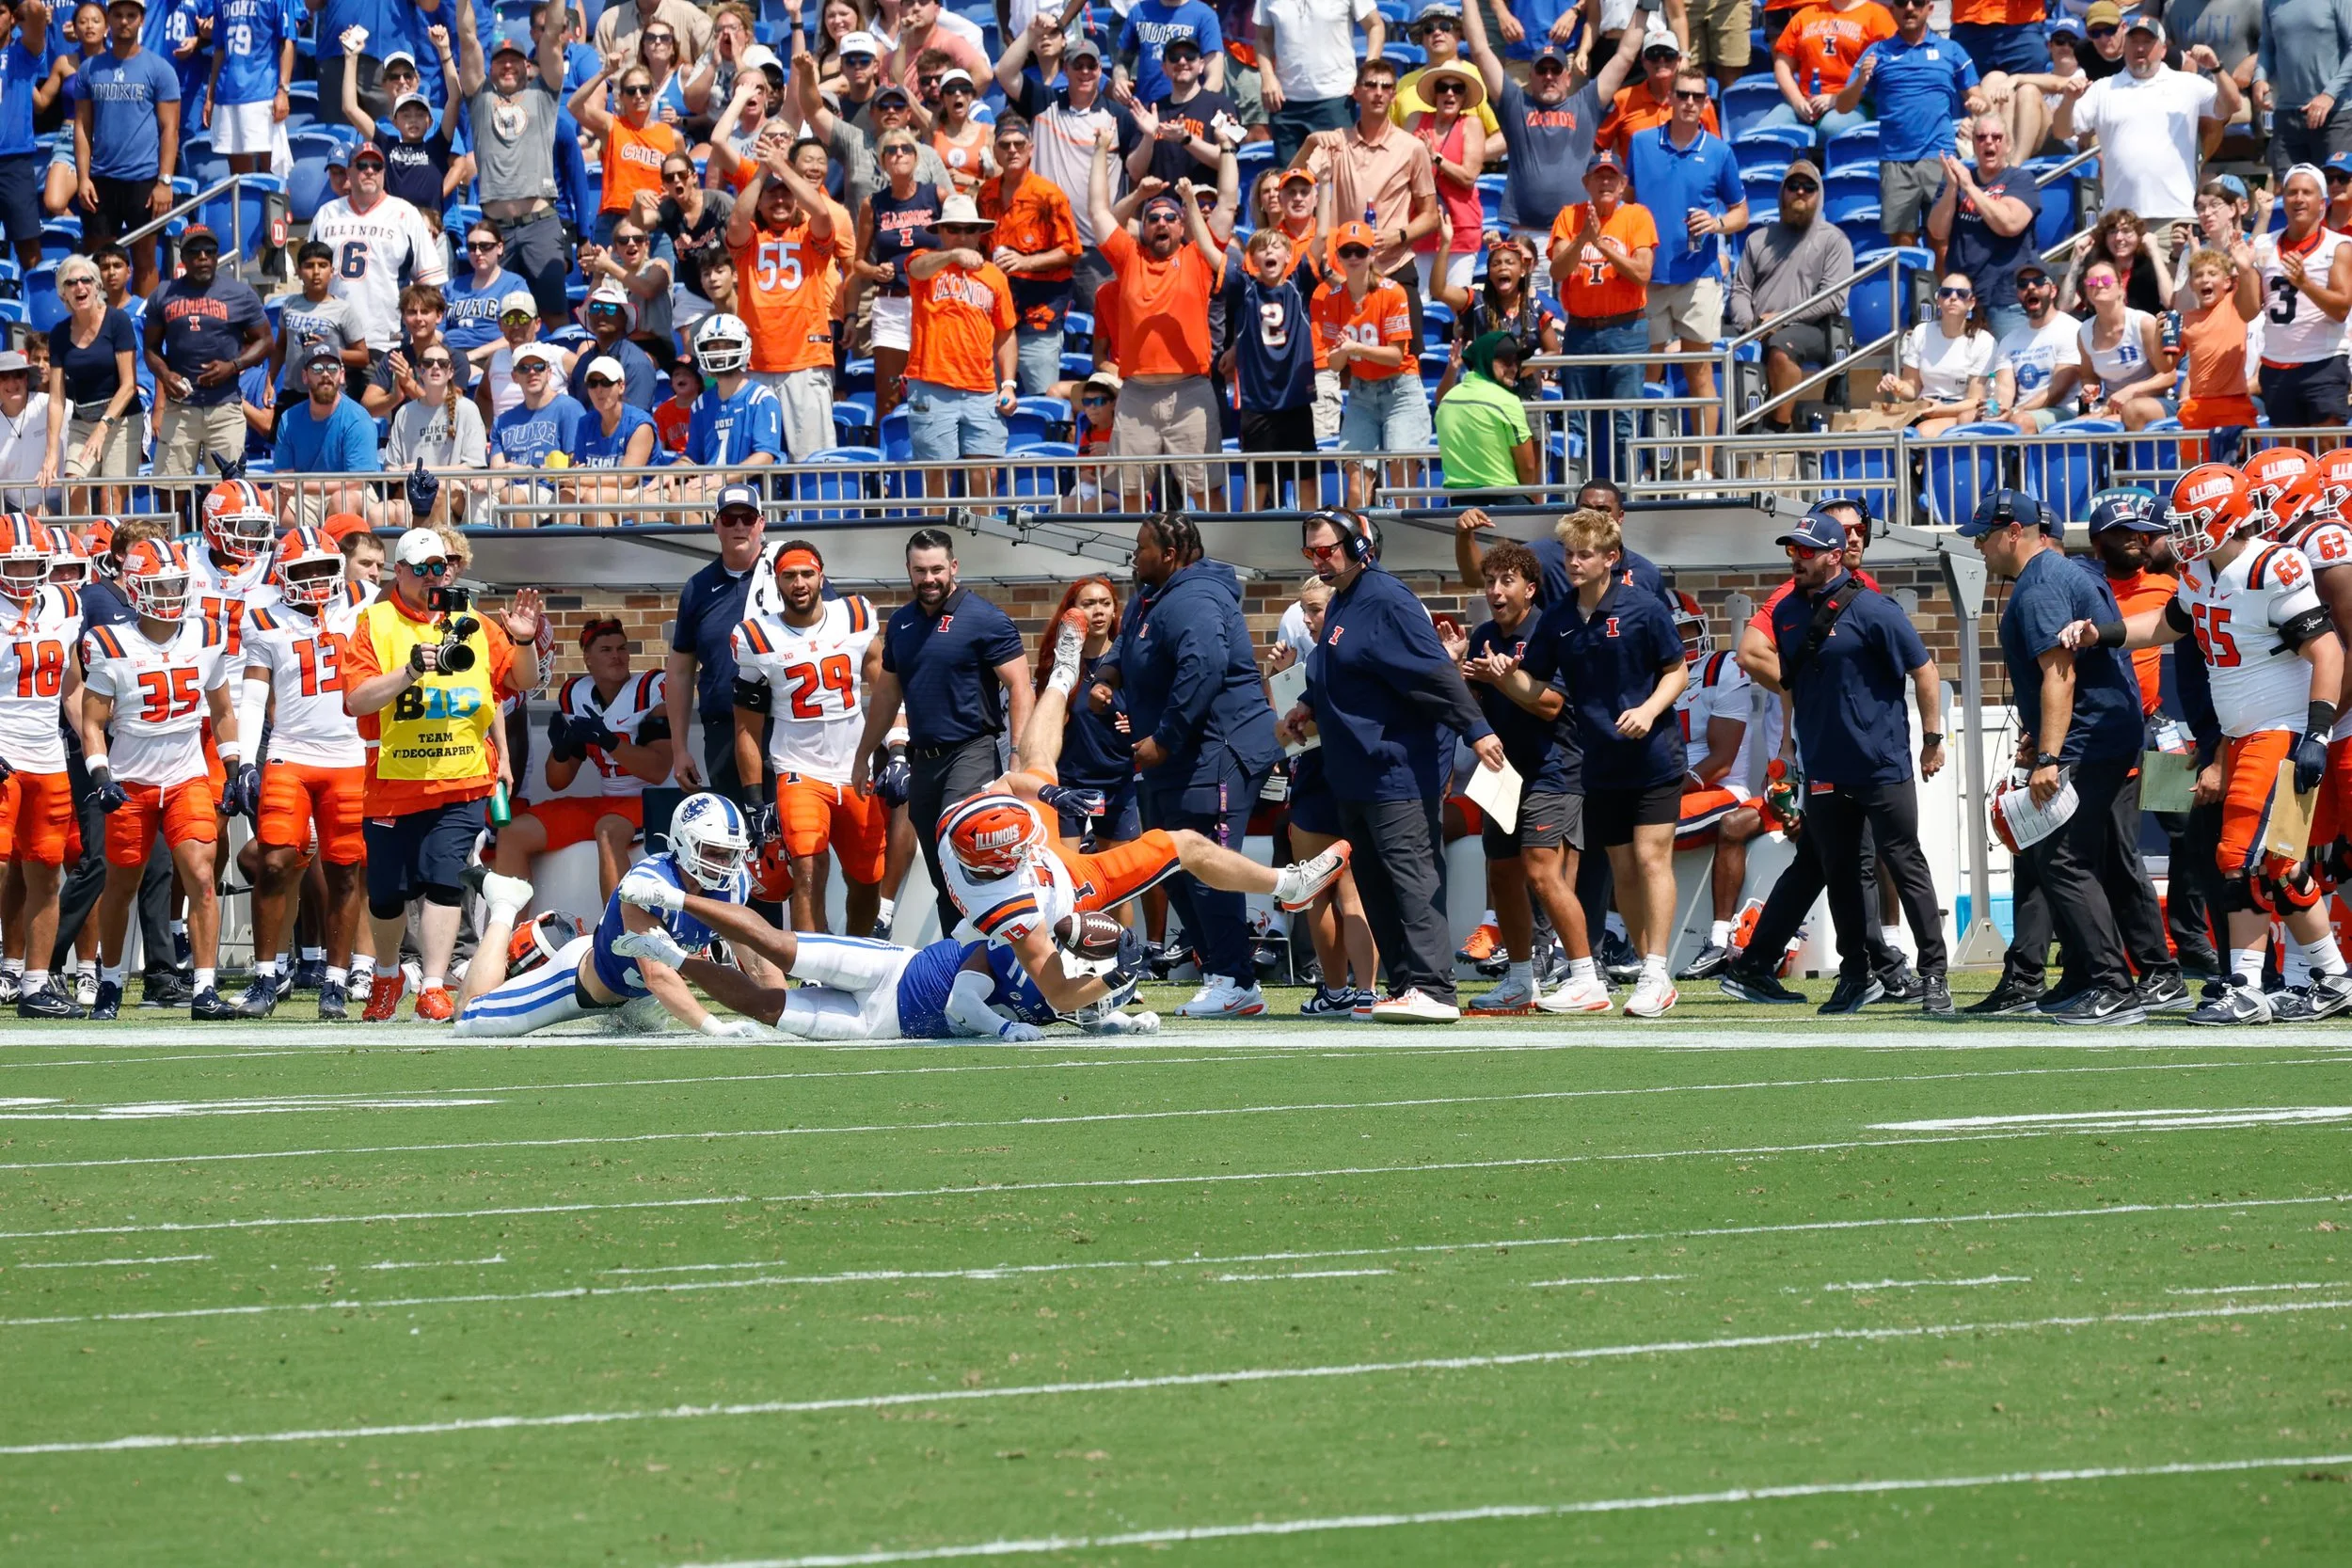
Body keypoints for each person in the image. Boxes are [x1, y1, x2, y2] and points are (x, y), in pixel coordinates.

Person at [942, 618, 1343, 1025]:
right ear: (1005, 862)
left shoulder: (958, 822)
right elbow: (1061, 995)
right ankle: (1287, 884)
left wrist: (1051, 794)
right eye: (1021, 846)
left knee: (1039, 764)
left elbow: (1010, 782)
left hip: (1038, 862)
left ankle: (1063, 674)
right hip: (1074, 886)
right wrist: (1120, 971)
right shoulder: (1013, 912)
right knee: (1184, 844)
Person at [2062, 464, 2352, 1022]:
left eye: (2197, 521)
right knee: (2277, 862)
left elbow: (2329, 651)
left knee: (2236, 856)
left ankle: (2242, 984)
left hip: (2281, 727)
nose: (2186, 533)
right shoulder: (2198, 572)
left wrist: (2317, 731)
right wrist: (2106, 633)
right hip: (2240, 732)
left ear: (2229, 516)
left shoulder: (2274, 565)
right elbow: (2167, 624)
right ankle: (2331, 976)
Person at [1275, 509, 1502, 1023]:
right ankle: (1404, 984)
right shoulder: (1343, 602)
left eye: (1327, 549)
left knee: (1412, 877)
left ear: (1360, 547)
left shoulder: (1387, 599)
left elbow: (1435, 673)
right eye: (1311, 552)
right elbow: (1339, 669)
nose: (1319, 559)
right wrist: (1308, 702)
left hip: (1394, 768)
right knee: (1375, 882)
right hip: (1352, 771)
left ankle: (1435, 988)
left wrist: (1477, 729)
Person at [1480, 508, 1687, 1016]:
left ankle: (1658, 973)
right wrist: (1503, 676)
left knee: (1650, 859)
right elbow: (1538, 686)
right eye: (1569, 553)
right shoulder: (1558, 618)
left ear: (1610, 558)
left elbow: (1677, 671)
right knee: (1623, 871)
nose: (1574, 562)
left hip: (1654, 756)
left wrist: (1648, 709)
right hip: (1599, 763)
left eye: (1585, 553)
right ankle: (1639, 972)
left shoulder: (1644, 607)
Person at [1959, 489, 2151, 1025]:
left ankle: (2115, 985)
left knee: (2062, 858)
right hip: (2102, 734)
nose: (1978, 546)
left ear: (2014, 531)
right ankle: (2091, 977)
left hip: (2087, 740)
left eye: (1983, 534)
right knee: (2075, 858)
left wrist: (2048, 755)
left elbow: (2059, 674)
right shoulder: (2067, 574)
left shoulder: (2041, 583)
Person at [338, 526, 543, 1023]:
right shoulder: (375, 622)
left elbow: (522, 681)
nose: (436, 577)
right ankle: (387, 974)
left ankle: (432, 984)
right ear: (401, 572)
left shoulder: (470, 620)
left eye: (442, 567)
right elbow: (355, 699)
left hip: (463, 777)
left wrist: (524, 641)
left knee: (445, 880)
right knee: (387, 894)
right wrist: (408, 670)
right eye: (425, 569)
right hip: (395, 782)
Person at [1084, 515, 1284, 1019]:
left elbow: (1205, 669)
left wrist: (1165, 741)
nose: (1135, 555)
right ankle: (1221, 970)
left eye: (1142, 548)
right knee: (1168, 863)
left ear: (1169, 554)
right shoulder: (1153, 597)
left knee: (1207, 864)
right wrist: (1106, 676)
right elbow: (1128, 647)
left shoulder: (1195, 598)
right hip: (1181, 758)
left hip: (1217, 750)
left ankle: (1236, 980)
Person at [1767, 505, 1952, 1015]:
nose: (1795, 560)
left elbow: (1926, 671)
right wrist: (1788, 745)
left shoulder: (1875, 609)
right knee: (1842, 873)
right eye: (1791, 550)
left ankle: (1934, 974)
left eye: (1805, 551)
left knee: (1904, 862)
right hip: (1825, 765)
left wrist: (1932, 738)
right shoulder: (1785, 614)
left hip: (1880, 762)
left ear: (1832, 557)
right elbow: (1790, 685)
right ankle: (1855, 976)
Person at [78, 534, 245, 1021]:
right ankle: (109, 982)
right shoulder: (107, 642)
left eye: (176, 584)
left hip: (187, 775)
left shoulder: (206, 634)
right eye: (160, 585)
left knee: (200, 875)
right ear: (134, 587)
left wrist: (234, 767)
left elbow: (223, 709)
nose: (171, 595)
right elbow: (92, 722)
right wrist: (101, 773)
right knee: (122, 886)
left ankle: (205, 989)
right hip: (130, 780)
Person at [455, 794, 782, 1040]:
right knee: (469, 1019)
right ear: (684, 843)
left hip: (642, 997)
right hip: (586, 985)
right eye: (713, 851)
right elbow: (658, 975)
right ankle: (504, 903)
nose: (723, 863)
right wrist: (715, 1029)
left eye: (730, 853)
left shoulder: (734, 884)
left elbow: (756, 957)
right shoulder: (649, 886)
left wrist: (784, 1014)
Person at [1453, 539, 1610, 1015]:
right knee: (1502, 874)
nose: (1496, 591)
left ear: (1530, 588)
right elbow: (1477, 709)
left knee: (1542, 871)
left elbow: (1551, 706)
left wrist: (1503, 679)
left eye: (1506, 581)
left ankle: (1585, 975)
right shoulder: (1482, 634)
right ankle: (1521, 978)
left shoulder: (1553, 630)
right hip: (1501, 772)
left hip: (1554, 770)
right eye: (1489, 582)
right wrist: (1460, 672)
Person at [849, 528, 1032, 918]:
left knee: (964, 852)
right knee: (942, 873)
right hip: (923, 762)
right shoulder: (900, 623)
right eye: (920, 570)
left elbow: (1020, 687)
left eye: (936, 569)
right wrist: (863, 754)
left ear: (953, 567)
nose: (929, 578)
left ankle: (996, 957)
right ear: (908, 570)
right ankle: (959, 964)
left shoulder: (985, 618)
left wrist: (1018, 757)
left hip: (972, 753)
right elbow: (886, 695)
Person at [231, 525, 367, 1020]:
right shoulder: (264, 617)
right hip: (290, 750)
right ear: (283, 574)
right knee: (272, 863)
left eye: (322, 568)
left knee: (344, 872)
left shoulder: (362, 602)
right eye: (302, 570)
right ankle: (266, 976)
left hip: (350, 754)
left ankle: (335, 980)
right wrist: (246, 760)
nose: (313, 579)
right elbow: (252, 694)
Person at [731, 542, 889, 936]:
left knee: (868, 879)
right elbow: (746, 727)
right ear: (776, 581)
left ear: (821, 575)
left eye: (806, 574)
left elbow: (889, 690)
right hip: (797, 769)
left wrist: (898, 747)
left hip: (856, 768)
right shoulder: (756, 636)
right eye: (789, 576)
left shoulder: (855, 615)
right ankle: (813, 970)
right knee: (806, 868)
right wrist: (754, 800)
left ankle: (856, 956)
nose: (799, 583)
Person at [1090, 134, 1232, 510]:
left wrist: (1227, 150)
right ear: (1144, 226)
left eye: (1171, 217)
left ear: (1183, 226)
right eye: (1153, 218)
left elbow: (1228, 203)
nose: (1162, 223)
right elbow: (1099, 213)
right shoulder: (1129, 258)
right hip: (1136, 394)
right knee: (1131, 495)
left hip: (1191, 394)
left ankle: (1217, 562)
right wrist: (1103, 150)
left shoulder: (1197, 259)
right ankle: (1136, 565)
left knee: (1205, 493)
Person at [1628, 59, 1745, 480]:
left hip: (1699, 274)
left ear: (1706, 101)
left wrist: (1717, 224)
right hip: (1648, 277)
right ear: (1670, 99)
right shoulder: (1641, 144)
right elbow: (1626, 199)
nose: (1690, 102)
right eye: (1683, 95)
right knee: (1647, 376)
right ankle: (1641, 468)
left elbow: (1741, 212)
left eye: (1698, 96)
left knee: (1699, 374)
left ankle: (1704, 472)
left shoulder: (1719, 151)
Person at [1462, 10, 1641, 250]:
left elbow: (1625, 56)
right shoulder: (1516, 104)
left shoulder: (1585, 103)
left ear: (1568, 78)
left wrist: (1644, 7)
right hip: (1527, 235)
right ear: (1530, 76)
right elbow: (1481, 51)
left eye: (1556, 70)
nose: (1549, 76)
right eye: (1542, 70)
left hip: (1577, 231)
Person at [1292, 57, 1438, 348]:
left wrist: (1400, 235)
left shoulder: (1412, 148)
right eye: (1370, 85)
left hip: (1395, 267)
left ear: (1394, 95)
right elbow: (1292, 185)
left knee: (1406, 366)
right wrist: (1309, 144)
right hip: (1343, 273)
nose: (1378, 92)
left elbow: (1431, 215)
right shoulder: (1335, 142)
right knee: (1342, 368)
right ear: (1356, 91)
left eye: (1386, 86)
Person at [0, 515, 85, 1018]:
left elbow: (71, 685)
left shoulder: (64, 603)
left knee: (46, 873)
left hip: (48, 755)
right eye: (17, 562)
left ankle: (34, 984)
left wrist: (92, 747)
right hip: (4, 751)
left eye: (35, 562)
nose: (27, 571)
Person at [2056, 20, 2237, 239]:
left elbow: (2231, 106)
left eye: (2147, 42)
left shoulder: (2187, 84)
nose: (2140, 48)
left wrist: (2216, 68)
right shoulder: (2103, 88)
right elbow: (2062, 132)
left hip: (2174, 218)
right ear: (2124, 47)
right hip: (2119, 221)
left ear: (2162, 49)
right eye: (2133, 41)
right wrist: (2068, 101)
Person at [456, 0, 572, 325]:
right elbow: (467, 37)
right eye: (500, 62)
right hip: (496, 233)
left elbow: (551, 36)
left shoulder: (544, 93)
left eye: (515, 62)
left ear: (528, 66)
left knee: (553, 315)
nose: (508, 67)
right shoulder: (480, 99)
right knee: (498, 320)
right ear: (490, 69)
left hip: (540, 224)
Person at [1836, 0, 1987, 246]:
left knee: (1943, 241)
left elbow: (1979, 99)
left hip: (1941, 158)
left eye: (1917, 2)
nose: (1909, 8)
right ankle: (1912, 287)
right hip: (1895, 160)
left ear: (1929, 8)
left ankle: (1942, 288)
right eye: (1900, 2)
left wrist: (1978, 105)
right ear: (1891, 9)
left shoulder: (1952, 50)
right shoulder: (1876, 53)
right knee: (1902, 243)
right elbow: (1842, 106)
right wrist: (1862, 79)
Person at [1549, 148, 1654, 481]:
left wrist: (1603, 245)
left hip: (1627, 332)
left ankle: (1626, 500)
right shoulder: (1570, 216)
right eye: (1599, 175)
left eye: (1612, 176)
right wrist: (1584, 239)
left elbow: (1642, 272)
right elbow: (1558, 270)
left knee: (1625, 423)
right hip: (1581, 332)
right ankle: (1579, 501)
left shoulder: (1637, 216)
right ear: (1586, 182)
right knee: (1576, 422)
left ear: (1623, 184)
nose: (1605, 181)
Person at [1726, 159, 1852, 430]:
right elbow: (1740, 290)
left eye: (1809, 187)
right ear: (1782, 192)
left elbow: (1833, 298)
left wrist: (1782, 319)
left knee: (1783, 346)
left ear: (1819, 195)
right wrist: (1750, 325)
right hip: (1758, 327)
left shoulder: (1834, 240)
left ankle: (1778, 426)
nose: (1800, 192)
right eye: (1793, 185)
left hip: (1815, 329)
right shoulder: (1757, 239)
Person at [903, 192, 1017, 492]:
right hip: (932, 385)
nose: (961, 235)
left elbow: (1006, 333)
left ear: (980, 233)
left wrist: (1008, 384)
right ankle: (939, 540)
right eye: (953, 228)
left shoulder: (995, 276)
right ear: (940, 231)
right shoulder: (925, 261)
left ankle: (982, 537)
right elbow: (916, 269)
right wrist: (953, 255)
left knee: (986, 473)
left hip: (981, 390)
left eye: (969, 229)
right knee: (938, 475)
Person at [664, 482, 771, 799]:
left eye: (748, 518)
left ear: (761, 524)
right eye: (729, 518)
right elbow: (681, 671)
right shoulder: (698, 587)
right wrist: (679, 749)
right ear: (716, 526)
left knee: (793, 834)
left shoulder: (787, 572)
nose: (739, 526)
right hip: (723, 730)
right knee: (736, 837)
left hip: (783, 727)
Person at [1315, 217, 1427, 505]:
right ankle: (1357, 548)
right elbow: (1336, 364)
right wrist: (1342, 352)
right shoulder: (1332, 299)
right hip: (1362, 393)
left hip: (1400, 391)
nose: (1353, 258)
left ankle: (1410, 548)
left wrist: (1356, 348)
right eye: (1347, 251)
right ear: (1337, 256)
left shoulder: (1393, 292)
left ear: (1372, 254)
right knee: (1356, 485)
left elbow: (1396, 355)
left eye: (1360, 251)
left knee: (1402, 484)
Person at [70, 0, 178, 294]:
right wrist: (82, 178)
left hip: (143, 179)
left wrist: (164, 181)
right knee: (101, 263)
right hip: (101, 179)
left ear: (142, 20)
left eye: (131, 15)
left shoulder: (160, 69)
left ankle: (144, 330)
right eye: (118, 15)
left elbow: (170, 130)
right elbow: (82, 126)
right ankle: (104, 330)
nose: (124, 21)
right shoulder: (89, 69)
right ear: (108, 20)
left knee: (144, 260)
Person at [308, 139, 448, 363]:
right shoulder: (326, 215)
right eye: (362, 166)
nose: (369, 171)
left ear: (384, 172)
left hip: (387, 339)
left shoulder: (405, 213)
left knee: (383, 399)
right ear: (349, 172)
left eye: (376, 166)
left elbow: (429, 284)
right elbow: (310, 279)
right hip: (335, 339)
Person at [977, 115, 1081, 398]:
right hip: (998, 318)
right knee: (994, 398)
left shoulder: (1049, 195)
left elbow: (1071, 252)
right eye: (1005, 145)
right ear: (995, 151)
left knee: (1041, 398)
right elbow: (982, 249)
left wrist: (1025, 262)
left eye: (1019, 144)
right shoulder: (986, 194)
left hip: (1040, 315)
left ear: (1031, 148)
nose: (1012, 150)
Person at [1221, 227, 1321, 508]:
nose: (1269, 252)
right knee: (1257, 482)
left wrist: (1325, 184)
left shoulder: (1298, 283)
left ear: (1289, 255)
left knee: (1306, 479)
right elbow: (1210, 254)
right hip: (1258, 405)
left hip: (1295, 400)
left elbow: (1321, 236)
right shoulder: (1245, 289)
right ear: (1252, 258)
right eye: (1262, 248)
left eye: (1276, 246)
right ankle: (1247, 542)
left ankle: (1312, 533)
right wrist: (1191, 205)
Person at [2252, 164, 2352, 430]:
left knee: (2328, 449)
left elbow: (2341, 309)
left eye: (2307, 192)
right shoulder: (2264, 245)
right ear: (2283, 201)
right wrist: (2243, 268)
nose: (2298, 199)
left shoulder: (2338, 246)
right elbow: (2248, 311)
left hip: (2324, 362)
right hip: (2275, 364)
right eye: (2292, 192)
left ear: (2322, 203)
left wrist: (2305, 283)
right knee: (2290, 456)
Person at [1928, 115, 2042, 341]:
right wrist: (1952, 188)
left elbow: (2010, 224)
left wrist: (1969, 187)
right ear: (1974, 144)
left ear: (2007, 144)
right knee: (1964, 372)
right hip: (1963, 298)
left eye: (1997, 137)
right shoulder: (1956, 180)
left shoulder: (2020, 180)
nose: (1989, 142)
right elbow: (1937, 231)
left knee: (2011, 370)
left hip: (2007, 297)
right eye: (1981, 138)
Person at [38, 253, 139, 499]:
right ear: (63, 294)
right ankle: (78, 541)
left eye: (86, 280)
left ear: (97, 287)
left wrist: (103, 427)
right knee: (74, 494)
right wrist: (51, 455)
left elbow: (129, 385)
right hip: (82, 423)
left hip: (121, 422)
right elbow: (56, 399)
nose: (79, 287)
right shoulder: (59, 334)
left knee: (110, 499)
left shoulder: (118, 321)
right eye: (71, 283)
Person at [1255, 0, 1381, 166]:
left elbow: (1375, 26)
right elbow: (1262, 38)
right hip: (1285, 104)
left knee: (1338, 178)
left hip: (1336, 100)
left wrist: (1367, 71)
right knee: (1289, 182)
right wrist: (1267, 76)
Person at [271, 343, 381, 525]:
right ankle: (287, 551)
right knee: (267, 500)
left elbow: (356, 480)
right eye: (316, 368)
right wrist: (289, 489)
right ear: (305, 376)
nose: (325, 374)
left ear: (342, 374)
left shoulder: (358, 418)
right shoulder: (289, 418)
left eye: (332, 368)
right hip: (304, 496)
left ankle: (344, 553)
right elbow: (283, 476)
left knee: (341, 500)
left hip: (351, 492)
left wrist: (300, 485)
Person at [1402, 59, 1486, 298]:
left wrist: (1435, 158)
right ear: (1435, 94)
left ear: (1463, 97)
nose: (1449, 93)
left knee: (1455, 304)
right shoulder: (1416, 119)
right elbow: (1399, 168)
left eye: (1457, 89)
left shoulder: (1471, 124)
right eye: (1443, 88)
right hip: (1420, 227)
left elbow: (1468, 176)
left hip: (1460, 228)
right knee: (1421, 305)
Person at [1881, 270, 1994, 437]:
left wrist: (1942, 410)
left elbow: (1975, 400)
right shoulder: (1921, 332)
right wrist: (1896, 385)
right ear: (1938, 300)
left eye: (1961, 294)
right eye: (1946, 293)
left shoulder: (1984, 341)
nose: (1953, 297)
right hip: (1924, 407)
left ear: (1971, 303)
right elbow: (1912, 389)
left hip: (1962, 411)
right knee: (1893, 437)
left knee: (1922, 433)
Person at [1759, 0, 1890, 142]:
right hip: (1806, 102)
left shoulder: (1878, 16)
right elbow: (1782, 65)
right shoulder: (1806, 14)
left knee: (1832, 128)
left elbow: (1886, 69)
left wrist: (1837, 99)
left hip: (1855, 102)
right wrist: (1797, 101)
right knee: (1765, 134)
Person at [272, 239, 370, 417]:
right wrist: (268, 382)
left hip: (329, 392)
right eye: (309, 266)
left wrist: (328, 350)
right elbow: (280, 347)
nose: (316, 272)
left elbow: (363, 357)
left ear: (331, 272)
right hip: (293, 392)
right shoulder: (289, 305)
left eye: (322, 265)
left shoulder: (343, 309)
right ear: (299, 272)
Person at [2075, 257, 2176, 430]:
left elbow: (2169, 375)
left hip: (2152, 403)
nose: (2099, 285)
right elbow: (2088, 375)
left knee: (2119, 416)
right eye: (2092, 282)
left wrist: (2132, 391)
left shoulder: (2142, 323)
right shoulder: (2084, 332)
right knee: (2074, 429)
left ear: (2121, 286)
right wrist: (2089, 387)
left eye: (2106, 280)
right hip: (2110, 408)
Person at [1597, 23, 1721, 160]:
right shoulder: (1623, 99)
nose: (1661, 60)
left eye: (1668, 54)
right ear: (1643, 61)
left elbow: (1716, 150)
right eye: (1653, 54)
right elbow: (1599, 145)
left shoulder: (1696, 99)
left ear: (1679, 60)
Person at [2255, 0, 2352, 177]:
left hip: (2335, 116)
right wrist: (2260, 78)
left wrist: (2329, 94)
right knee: (2289, 194)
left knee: (2337, 192)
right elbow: (2267, 47)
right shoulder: (2270, 2)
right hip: (2287, 117)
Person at [1435, 330, 1538, 495]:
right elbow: (1528, 467)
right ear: (1486, 359)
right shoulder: (1507, 401)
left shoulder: (1447, 401)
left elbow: (1439, 399)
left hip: (1457, 503)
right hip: (1503, 502)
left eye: (1517, 362)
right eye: (1507, 361)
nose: (1514, 368)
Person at [2175, 240, 2263, 433]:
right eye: (2198, 275)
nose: (2205, 279)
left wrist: (2244, 267)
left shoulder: (2235, 303)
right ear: (2191, 285)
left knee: (2235, 463)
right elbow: (2165, 365)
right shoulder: (2186, 319)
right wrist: (2161, 336)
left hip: (2234, 403)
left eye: (2212, 274)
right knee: (2196, 464)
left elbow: (2252, 295)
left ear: (2227, 282)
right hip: (2197, 406)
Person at [1990, 261, 2083, 433]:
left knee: (2020, 422)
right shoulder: (2009, 340)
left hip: (2063, 412)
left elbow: (2057, 391)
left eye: (2039, 282)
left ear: (2053, 290)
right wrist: (1997, 410)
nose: (2031, 288)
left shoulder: (2072, 330)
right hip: (2019, 413)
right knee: (1970, 419)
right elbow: (2004, 388)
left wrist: (2017, 411)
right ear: (2018, 294)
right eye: (2023, 285)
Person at [0, 348, 56, 510]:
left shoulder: (49, 405)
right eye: (4, 377)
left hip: (57, 505)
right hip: (10, 508)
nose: (11, 383)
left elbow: (85, 423)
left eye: (17, 375)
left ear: (26, 378)